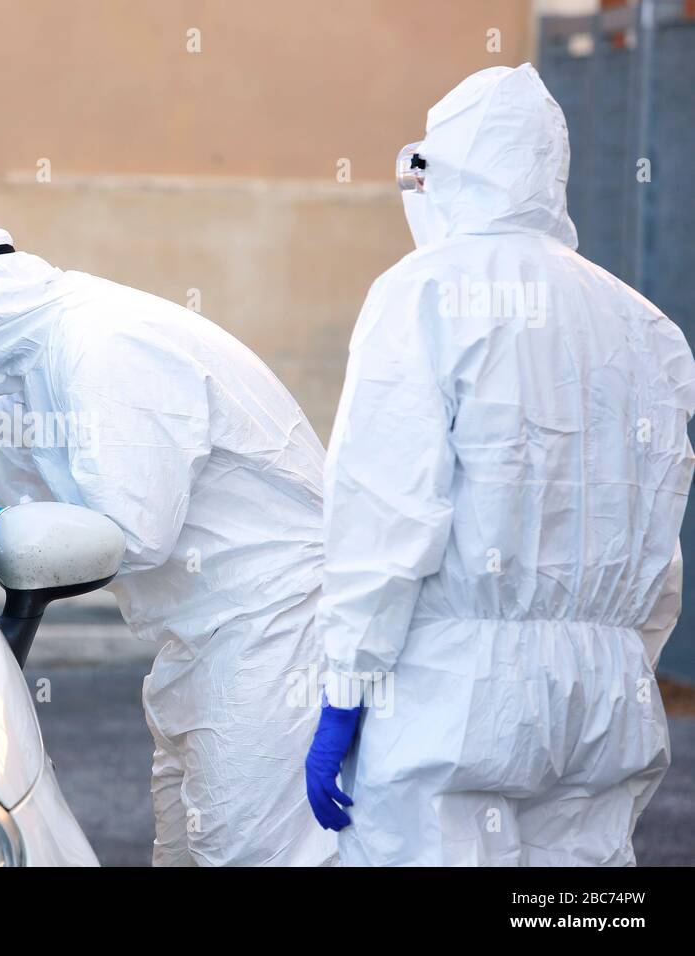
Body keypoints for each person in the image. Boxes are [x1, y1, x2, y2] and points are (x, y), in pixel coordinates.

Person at [304, 63, 695, 866]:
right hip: (607, 689)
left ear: (443, 170)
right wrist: (619, 657)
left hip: (457, 691)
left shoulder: (422, 294)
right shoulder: (645, 325)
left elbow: (386, 514)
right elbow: (660, 541)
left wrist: (346, 686)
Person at [0, 207, 338, 866]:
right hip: (201, 642)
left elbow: (133, 532)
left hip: (273, 635)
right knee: (188, 849)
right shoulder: (33, 371)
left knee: (247, 852)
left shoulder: (108, 345)